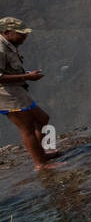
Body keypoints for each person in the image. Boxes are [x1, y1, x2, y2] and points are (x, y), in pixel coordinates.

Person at [0, 16, 57, 170]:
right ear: (6, 32)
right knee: (27, 129)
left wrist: (26, 74)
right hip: (6, 95)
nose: (25, 36)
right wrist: (27, 77)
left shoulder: (8, 44)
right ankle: (40, 164)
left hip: (17, 90)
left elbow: (8, 69)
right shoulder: (0, 48)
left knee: (42, 118)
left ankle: (42, 153)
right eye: (21, 33)